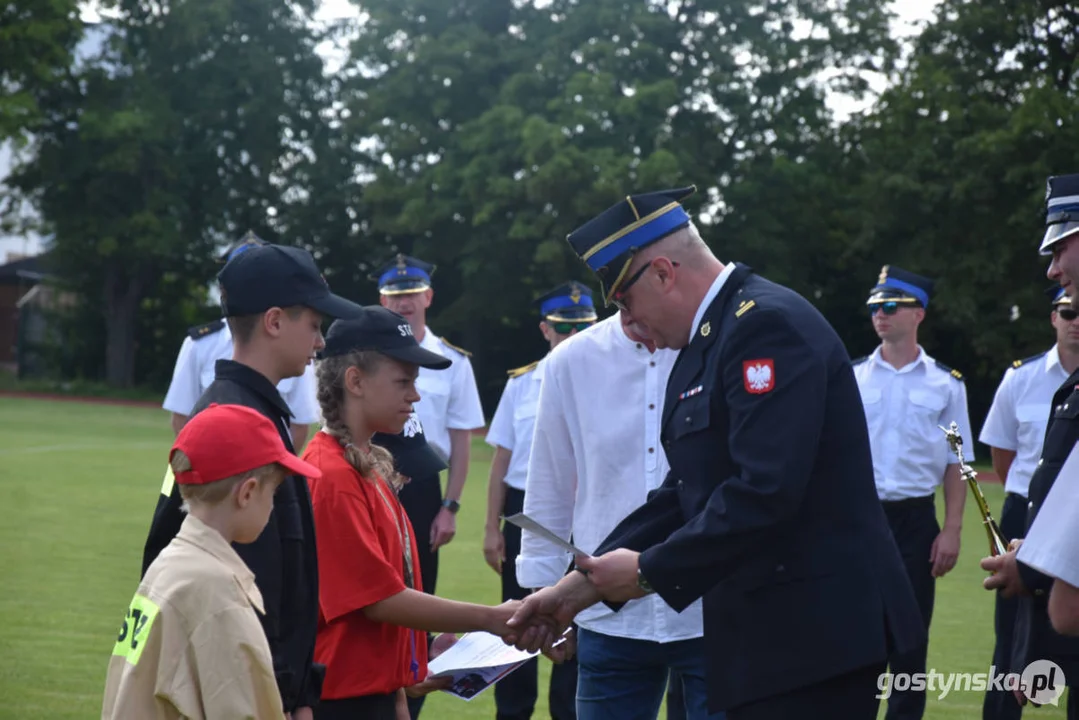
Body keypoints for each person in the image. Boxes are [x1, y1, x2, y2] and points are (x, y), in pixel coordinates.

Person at [502, 185, 925, 720]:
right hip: (773, 632)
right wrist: (573, 590)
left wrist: (649, 570)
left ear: (663, 273)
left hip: (814, 634)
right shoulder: (715, 336)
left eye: (627, 302)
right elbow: (685, 488)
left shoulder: (763, 326)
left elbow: (765, 490)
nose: (630, 325)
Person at [140, 242, 365, 720]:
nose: (321, 341)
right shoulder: (234, 421)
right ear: (275, 321)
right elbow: (246, 585)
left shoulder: (250, 411)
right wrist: (286, 698)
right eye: (314, 324)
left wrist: (299, 692)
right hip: (246, 693)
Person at [301, 306, 521, 720]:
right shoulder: (331, 475)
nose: (415, 396)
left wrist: (415, 657)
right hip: (341, 703)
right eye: (403, 382)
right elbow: (379, 600)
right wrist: (490, 619)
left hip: (375, 695)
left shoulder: (367, 463)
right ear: (355, 381)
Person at [514, 291, 719, 720]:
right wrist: (545, 591)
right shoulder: (570, 361)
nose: (635, 318)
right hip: (604, 611)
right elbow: (549, 481)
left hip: (711, 607)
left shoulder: (714, 348)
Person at [103, 403, 324, 720]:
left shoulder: (169, 565)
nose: (274, 506)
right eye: (273, 491)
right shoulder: (219, 595)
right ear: (247, 493)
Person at [850, 265, 971, 720]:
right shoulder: (852, 377)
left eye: (889, 306)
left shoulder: (946, 383)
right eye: (873, 307)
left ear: (917, 313)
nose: (878, 315)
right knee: (856, 638)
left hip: (917, 522)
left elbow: (956, 462)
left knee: (911, 640)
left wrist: (952, 530)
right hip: (861, 520)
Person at [982, 172, 1079, 717]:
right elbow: (1007, 458)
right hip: (1035, 527)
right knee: (1012, 667)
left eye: (1061, 244)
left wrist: (1038, 566)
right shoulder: (1025, 378)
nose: (1052, 268)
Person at [484, 281, 596, 720]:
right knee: (516, 621)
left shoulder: (604, 379)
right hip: (525, 509)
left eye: (582, 327)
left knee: (578, 621)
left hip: (582, 513)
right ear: (545, 329)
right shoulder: (522, 384)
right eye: (563, 328)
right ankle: (512, 713)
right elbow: (500, 462)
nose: (572, 337)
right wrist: (492, 528)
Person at [370, 253, 486, 597]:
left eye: (412, 293)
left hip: (422, 485)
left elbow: (461, 440)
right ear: (382, 300)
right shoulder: (365, 356)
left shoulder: (452, 361)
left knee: (419, 590)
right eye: (395, 295)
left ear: (428, 297)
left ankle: (419, 654)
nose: (404, 302)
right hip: (369, 475)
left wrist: (449, 507)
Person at [162, 231, 320, 449]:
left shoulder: (296, 342)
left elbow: (299, 425)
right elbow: (181, 417)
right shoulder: (199, 344)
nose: (319, 342)